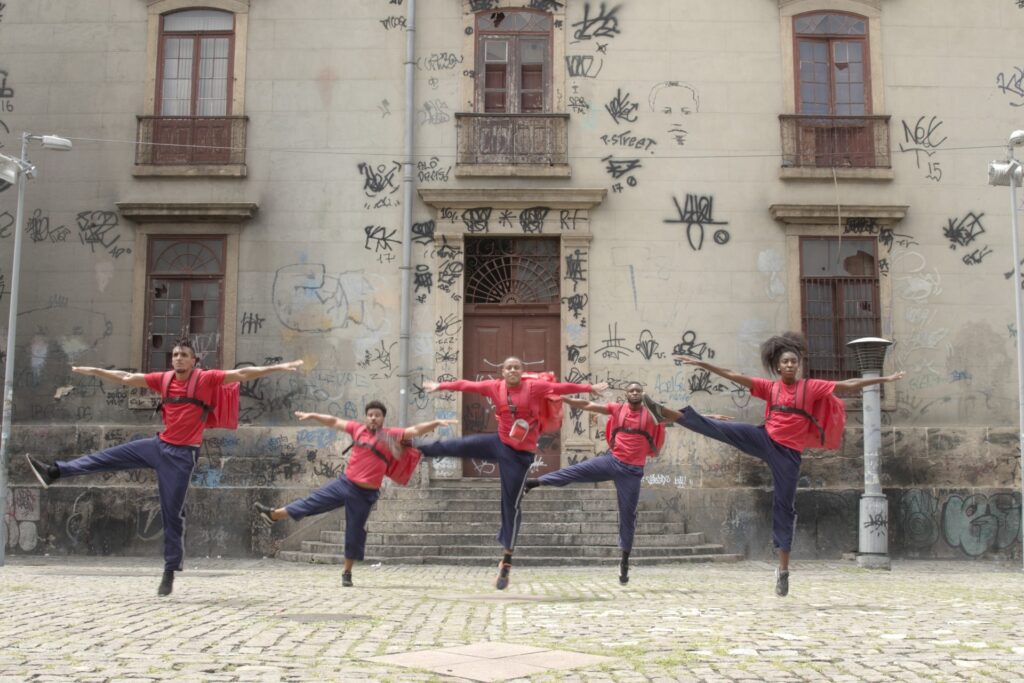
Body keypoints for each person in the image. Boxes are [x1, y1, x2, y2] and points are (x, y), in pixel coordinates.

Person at [25, 339, 304, 596]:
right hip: (159, 446)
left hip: (182, 457)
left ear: (194, 360)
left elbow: (242, 374)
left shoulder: (205, 379)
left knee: (172, 515)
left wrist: (279, 367)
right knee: (106, 457)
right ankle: (54, 472)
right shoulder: (164, 379)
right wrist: (95, 371)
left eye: (184, 355)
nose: (178, 358)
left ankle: (170, 570)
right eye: (175, 355)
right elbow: (126, 378)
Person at [641, 332, 905, 597]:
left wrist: (883, 379)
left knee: (784, 507)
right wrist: (702, 364)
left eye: (793, 361)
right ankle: (667, 414)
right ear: (778, 367)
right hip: (765, 438)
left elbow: (847, 385)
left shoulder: (810, 387)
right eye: (785, 362)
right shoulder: (770, 388)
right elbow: (732, 375)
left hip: (787, 455)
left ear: (798, 366)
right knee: (723, 428)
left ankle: (783, 570)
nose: (790, 365)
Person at [420, 357, 608, 590]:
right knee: (461, 445)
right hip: (499, 442)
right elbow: (466, 385)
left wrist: (590, 387)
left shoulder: (534, 387)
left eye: (516, 367)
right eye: (508, 367)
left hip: (519, 456)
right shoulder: (494, 386)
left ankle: (506, 560)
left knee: (511, 505)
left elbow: (561, 388)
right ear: (502, 371)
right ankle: (415, 447)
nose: (512, 370)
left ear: (521, 371)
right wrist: (440, 386)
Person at [254, 404, 456, 587]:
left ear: (383, 418)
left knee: (354, 531)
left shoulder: (391, 435)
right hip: (345, 483)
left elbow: (415, 430)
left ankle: (347, 572)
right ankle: (273, 515)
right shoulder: (357, 429)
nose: (373, 418)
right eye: (370, 415)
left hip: (365, 494)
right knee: (312, 502)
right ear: (366, 417)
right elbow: (334, 421)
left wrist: (436, 422)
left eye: (377, 415)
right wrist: (312, 415)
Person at [523, 381, 665, 585]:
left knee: (628, 516)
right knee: (576, 470)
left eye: (638, 390)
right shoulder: (617, 409)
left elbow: (675, 418)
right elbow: (588, 405)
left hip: (632, 472)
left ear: (642, 394)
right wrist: (563, 398)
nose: (634, 393)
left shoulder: (651, 415)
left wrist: (702, 419)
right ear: (626, 394)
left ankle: (624, 560)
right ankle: (535, 483)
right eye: (631, 390)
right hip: (613, 461)